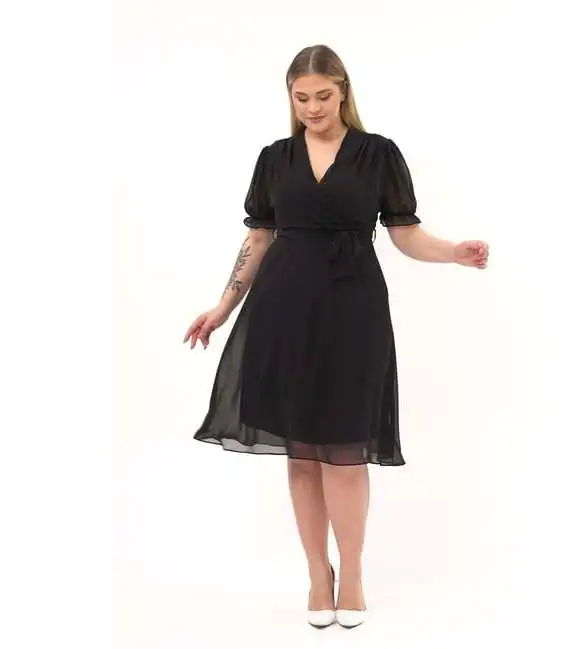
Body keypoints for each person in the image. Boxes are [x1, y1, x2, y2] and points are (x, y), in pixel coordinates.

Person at [183, 44, 489, 629]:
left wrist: (453, 252)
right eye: (301, 98)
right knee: (301, 452)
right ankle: (316, 575)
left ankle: (351, 573)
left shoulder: (378, 154)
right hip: (282, 312)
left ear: (343, 91)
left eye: (323, 96)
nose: (313, 108)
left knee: (345, 452)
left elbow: (405, 233)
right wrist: (223, 306)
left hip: (353, 313)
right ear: (290, 98)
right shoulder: (275, 158)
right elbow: (259, 238)